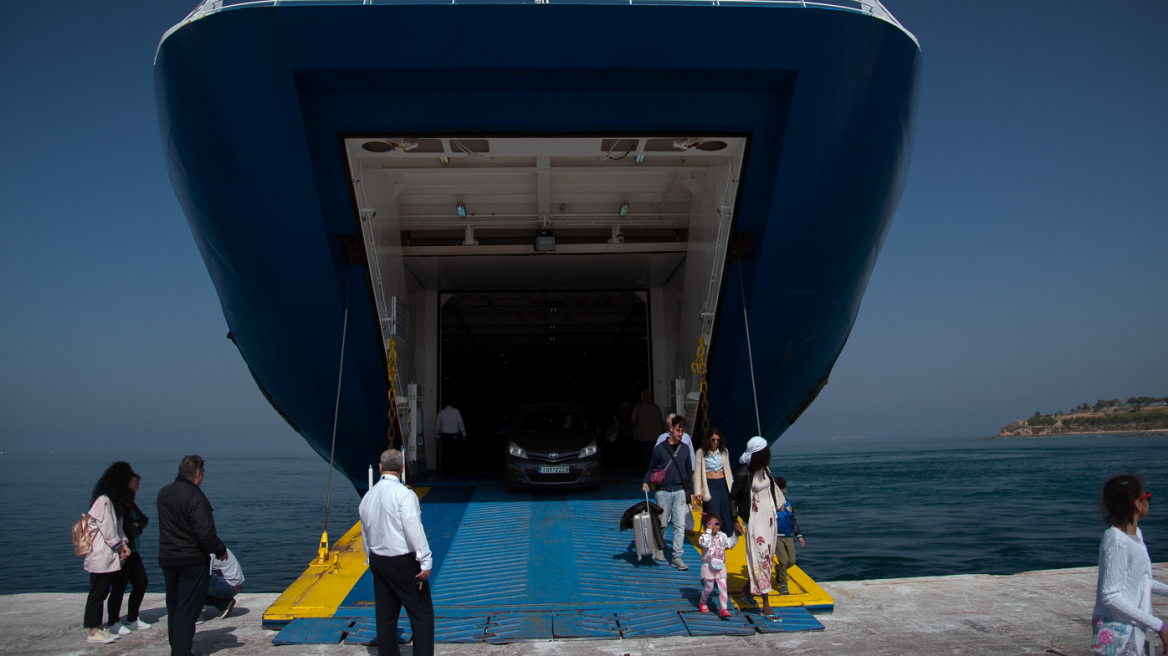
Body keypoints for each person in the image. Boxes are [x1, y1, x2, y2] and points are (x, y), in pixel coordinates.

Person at [360, 449, 434, 656]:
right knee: (421, 614)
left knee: (385, 617)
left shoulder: (368, 496)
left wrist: (370, 557)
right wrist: (425, 561)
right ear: (402, 469)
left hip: (378, 561)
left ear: (380, 468)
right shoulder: (404, 494)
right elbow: (414, 530)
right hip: (403, 563)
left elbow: (365, 532)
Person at [157, 455, 227, 656]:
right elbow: (204, 533)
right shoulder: (196, 496)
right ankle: (181, 652)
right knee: (188, 610)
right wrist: (220, 550)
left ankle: (177, 648)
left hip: (168, 558)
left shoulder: (164, 493)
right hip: (192, 560)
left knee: (175, 607)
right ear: (197, 474)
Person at [1091, 474, 1166, 656]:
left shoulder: (1136, 536)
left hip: (1136, 634)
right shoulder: (1117, 541)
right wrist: (1160, 626)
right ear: (1138, 504)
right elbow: (1111, 596)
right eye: (1147, 497)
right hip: (1119, 638)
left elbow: (1143, 581)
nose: (1149, 501)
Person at [730, 437, 785, 617]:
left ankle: (747, 590)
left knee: (767, 559)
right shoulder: (743, 473)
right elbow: (733, 499)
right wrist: (735, 521)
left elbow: (770, 491)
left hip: (769, 519)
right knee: (761, 558)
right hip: (755, 521)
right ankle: (766, 604)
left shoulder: (765, 470)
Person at [83, 462, 134, 644]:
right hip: (100, 556)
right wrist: (119, 546)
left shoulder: (111, 502)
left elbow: (117, 529)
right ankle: (93, 631)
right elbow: (109, 532)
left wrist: (124, 543)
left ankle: (98, 628)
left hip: (107, 556)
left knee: (102, 592)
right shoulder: (103, 502)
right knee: (97, 593)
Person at [641, 415, 694, 570]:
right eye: (678, 430)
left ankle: (677, 556)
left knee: (679, 524)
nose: (680, 434)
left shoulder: (685, 449)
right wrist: (645, 481)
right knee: (662, 524)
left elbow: (688, 472)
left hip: (679, 491)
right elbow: (651, 467)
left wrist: (690, 491)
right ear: (671, 428)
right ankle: (659, 547)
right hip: (663, 491)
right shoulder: (659, 449)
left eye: (682, 431)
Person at [107, 472, 151, 635]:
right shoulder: (119, 505)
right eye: (137, 485)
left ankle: (132, 619)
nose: (139, 488)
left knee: (142, 582)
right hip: (122, 551)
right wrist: (137, 528)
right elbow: (128, 530)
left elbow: (144, 520)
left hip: (133, 551)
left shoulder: (130, 504)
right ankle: (113, 622)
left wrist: (137, 525)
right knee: (119, 587)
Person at [693, 428, 734, 537]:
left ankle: (727, 536)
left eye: (718, 440)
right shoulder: (700, 453)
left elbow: (728, 470)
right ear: (708, 440)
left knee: (725, 511)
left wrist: (732, 487)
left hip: (722, 484)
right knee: (713, 511)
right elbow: (697, 473)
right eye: (713, 440)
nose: (716, 442)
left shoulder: (724, 452)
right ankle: (713, 536)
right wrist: (698, 491)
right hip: (709, 486)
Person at [697, 512, 739, 618]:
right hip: (708, 566)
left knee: (723, 588)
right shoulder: (703, 537)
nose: (714, 526)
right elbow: (705, 544)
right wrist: (708, 532)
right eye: (711, 524)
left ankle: (723, 609)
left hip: (720, 566)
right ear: (706, 526)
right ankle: (702, 602)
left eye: (717, 523)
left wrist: (736, 535)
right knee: (709, 588)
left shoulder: (722, 536)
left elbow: (730, 544)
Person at [773, 477, 804, 595]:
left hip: (788, 535)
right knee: (783, 560)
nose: (783, 496)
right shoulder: (772, 505)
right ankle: (782, 583)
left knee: (791, 560)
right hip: (776, 536)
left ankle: (779, 571)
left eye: (784, 493)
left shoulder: (789, 504)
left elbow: (793, 521)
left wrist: (799, 535)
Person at [204, 547, 245, 619]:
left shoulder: (207, 549)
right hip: (232, 584)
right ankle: (223, 603)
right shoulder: (211, 544)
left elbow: (203, 575)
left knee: (192, 582)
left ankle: (193, 615)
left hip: (231, 585)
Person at [630, 390, 666, 470]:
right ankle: (656, 473)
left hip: (642, 436)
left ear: (642, 397)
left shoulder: (638, 407)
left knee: (645, 456)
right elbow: (661, 421)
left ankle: (647, 473)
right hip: (656, 435)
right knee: (655, 455)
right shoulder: (656, 407)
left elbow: (633, 420)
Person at [435, 398, 466, 475]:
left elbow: (437, 426)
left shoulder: (441, 413)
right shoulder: (456, 412)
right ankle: (453, 468)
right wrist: (464, 433)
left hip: (444, 435)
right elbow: (460, 423)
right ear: (452, 404)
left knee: (445, 453)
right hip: (454, 435)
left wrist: (436, 436)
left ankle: (445, 469)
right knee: (454, 453)